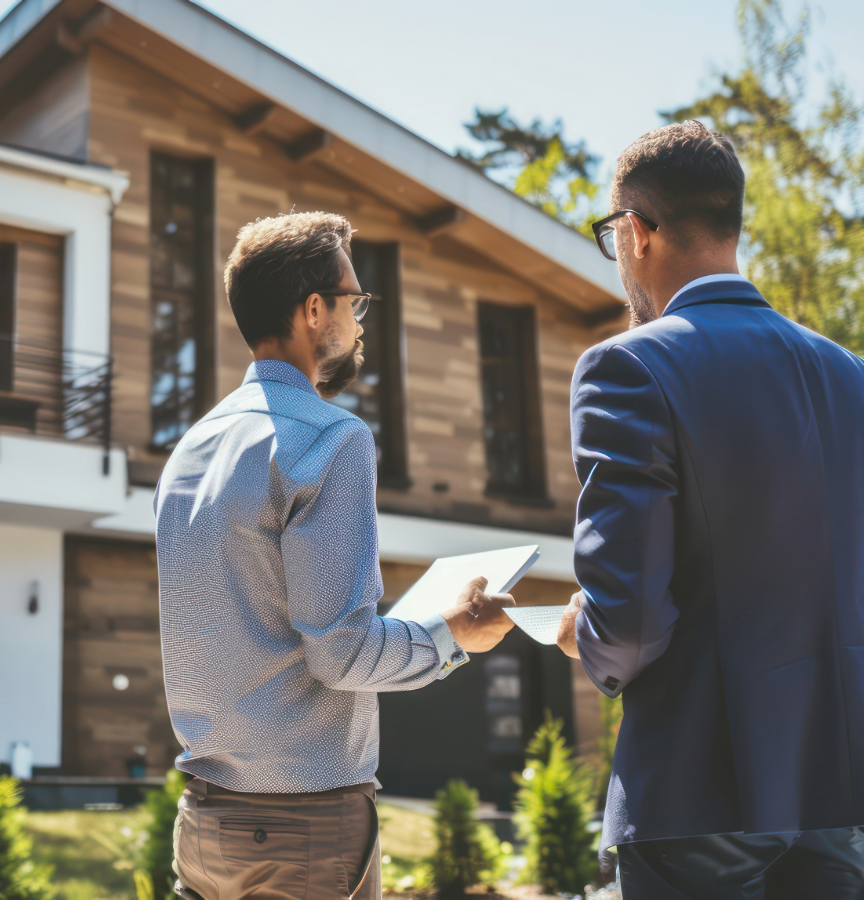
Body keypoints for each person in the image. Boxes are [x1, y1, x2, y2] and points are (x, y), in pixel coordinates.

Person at [155, 212, 516, 900]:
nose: (359, 319)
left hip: (203, 823)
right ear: (313, 309)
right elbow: (342, 654)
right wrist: (451, 635)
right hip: (304, 831)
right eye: (354, 300)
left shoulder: (190, 449)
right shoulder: (332, 439)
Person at [556, 121, 864, 893]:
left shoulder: (627, 368)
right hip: (842, 791)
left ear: (635, 233)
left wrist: (582, 635)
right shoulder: (850, 374)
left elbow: (624, 625)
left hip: (698, 796)